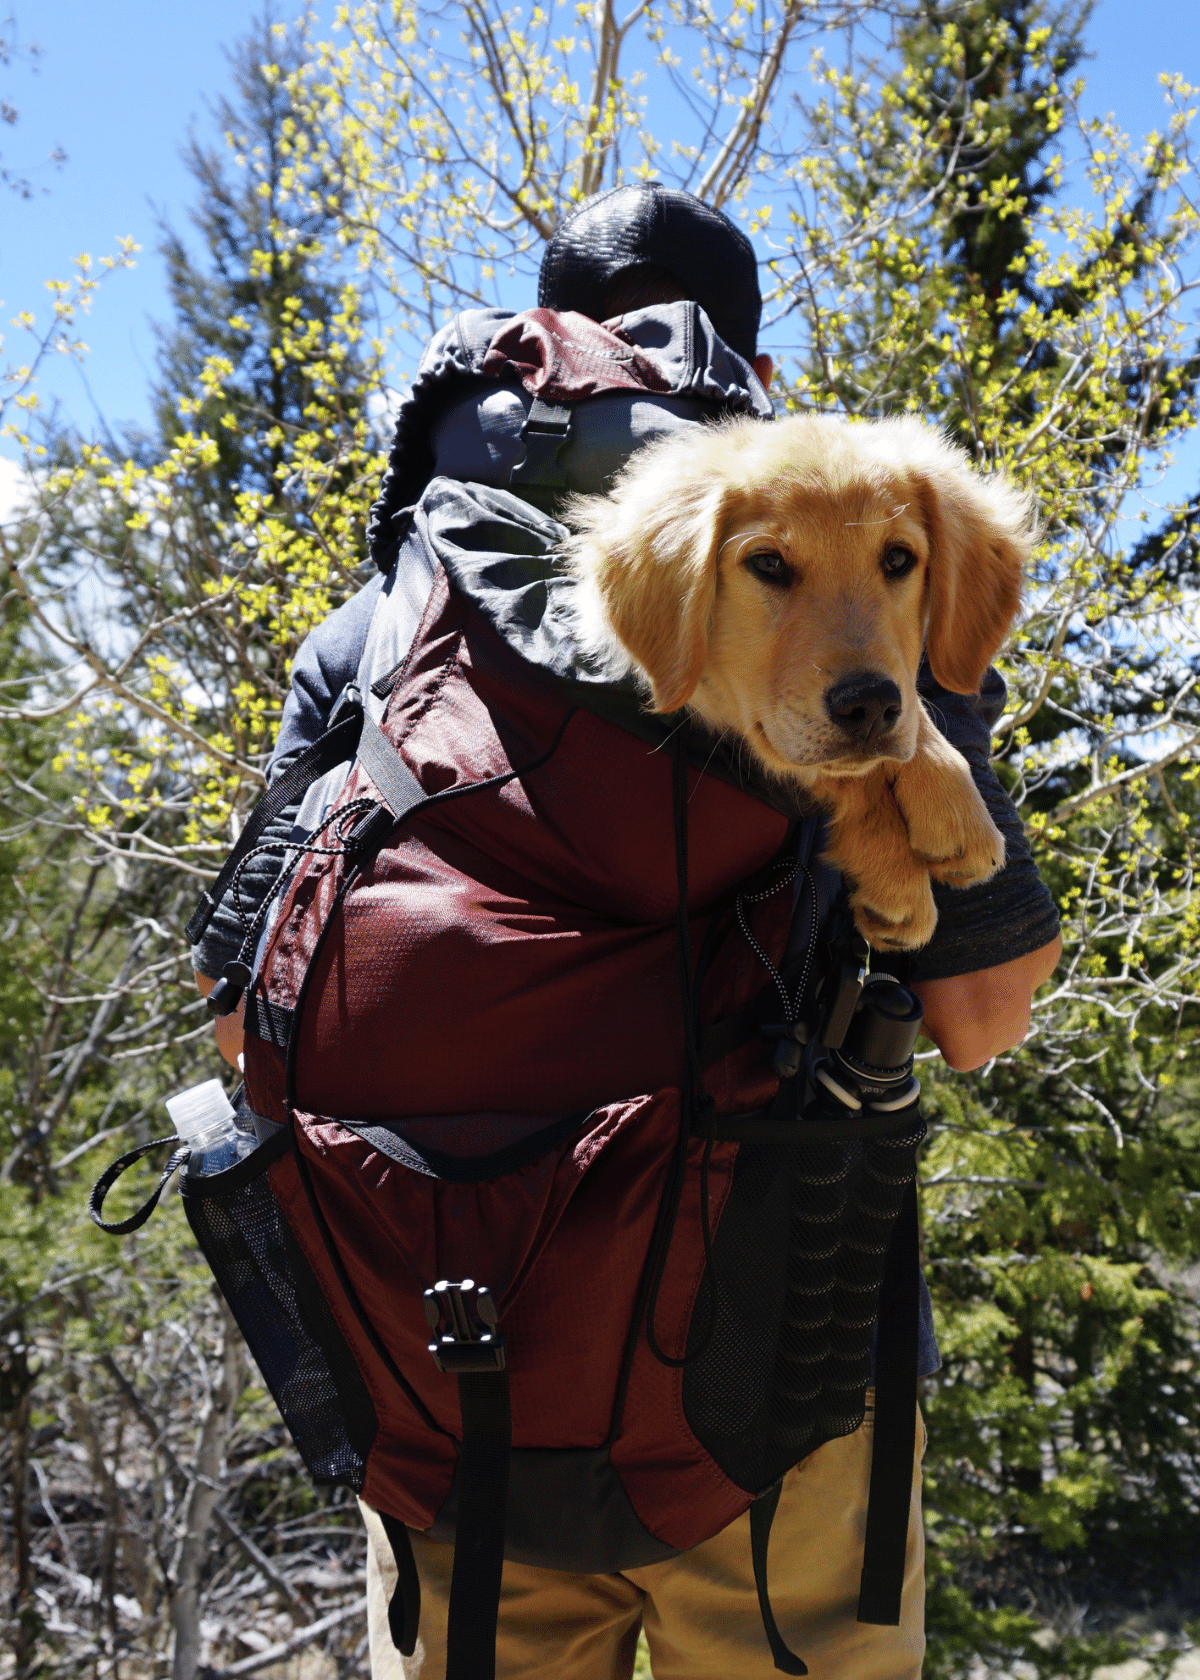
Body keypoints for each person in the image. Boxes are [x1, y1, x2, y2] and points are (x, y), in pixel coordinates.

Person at [193, 183, 1061, 1680]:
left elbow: (239, 1012)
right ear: (756, 379)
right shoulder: (859, 575)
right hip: (783, 1379)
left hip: (458, 1372)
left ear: (546, 350)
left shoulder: (387, 624)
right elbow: (984, 1018)